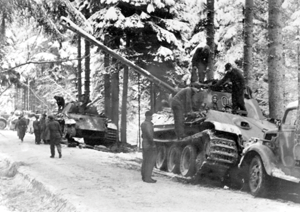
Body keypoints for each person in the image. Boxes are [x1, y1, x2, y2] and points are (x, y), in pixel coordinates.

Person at [141, 111, 157, 183]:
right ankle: (148, 178)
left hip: (144, 143)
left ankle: (144, 176)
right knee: (150, 161)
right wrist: (152, 144)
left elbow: (143, 135)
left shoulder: (143, 124)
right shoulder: (148, 124)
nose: (152, 117)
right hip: (148, 144)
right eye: (151, 116)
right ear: (148, 116)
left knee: (145, 160)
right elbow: (149, 134)